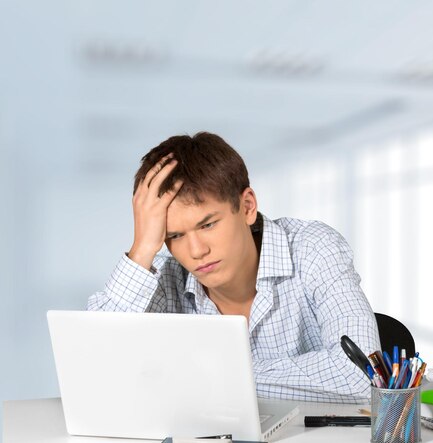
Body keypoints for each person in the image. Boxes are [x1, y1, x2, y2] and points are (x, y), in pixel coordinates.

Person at [88, 132, 380, 403]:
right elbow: (96, 374)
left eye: (208, 224)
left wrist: (211, 379)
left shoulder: (312, 248)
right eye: (174, 236)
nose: (196, 251)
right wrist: (142, 248)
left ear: (248, 207)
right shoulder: (165, 278)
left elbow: (361, 374)